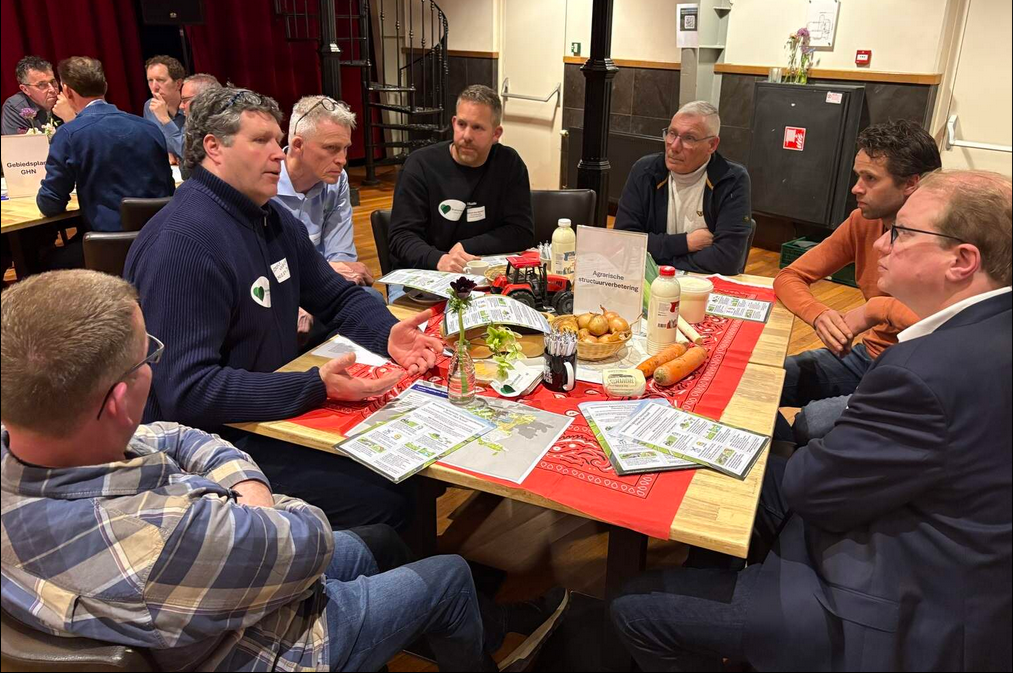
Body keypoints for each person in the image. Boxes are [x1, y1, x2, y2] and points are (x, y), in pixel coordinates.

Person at [0, 269, 568, 673]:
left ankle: (454, 627)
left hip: (207, 599)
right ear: (121, 399)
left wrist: (244, 495)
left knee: (379, 540)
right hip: (270, 645)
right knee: (450, 577)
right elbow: (308, 535)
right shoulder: (169, 538)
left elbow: (174, 433)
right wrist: (255, 505)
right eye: (148, 352)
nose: (155, 358)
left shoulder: (37, 446)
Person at [610, 170, 1012, 672]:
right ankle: (720, 570)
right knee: (756, 460)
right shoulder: (987, 329)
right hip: (949, 555)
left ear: (962, 260)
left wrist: (824, 441)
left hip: (903, 604)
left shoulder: (924, 370)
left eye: (901, 233)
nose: (882, 244)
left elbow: (810, 486)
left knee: (634, 607)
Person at [125, 87, 444, 531]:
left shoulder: (270, 218)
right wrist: (313, 386)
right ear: (213, 148)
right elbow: (188, 392)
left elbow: (336, 295)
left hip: (261, 418)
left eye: (277, 140)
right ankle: (360, 571)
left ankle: (417, 569)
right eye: (261, 141)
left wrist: (387, 333)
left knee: (411, 470)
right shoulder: (183, 244)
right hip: (205, 446)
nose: (278, 153)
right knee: (388, 495)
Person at [773, 120, 941, 445]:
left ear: (912, 183)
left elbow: (952, 330)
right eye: (858, 176)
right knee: (763, 379)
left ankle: (795, 467)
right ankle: (785, 464)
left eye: (870, 178)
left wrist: (878, 309)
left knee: (812, 423)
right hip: (869, 356)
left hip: (917, 375)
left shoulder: (946, 241)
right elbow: (789, 276)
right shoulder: (863, 223)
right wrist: (819, 314)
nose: (856, 188)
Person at [36, 56, 175, 267]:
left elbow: (50, 204)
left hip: (109, 250)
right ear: (106, 86)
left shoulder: (70, 135)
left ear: (67, 91)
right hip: (161, 242)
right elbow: (168, 189)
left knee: (41, 262)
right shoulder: (150, 128)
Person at [388, 84, 534, 279]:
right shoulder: (420, 165)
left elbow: (521, 232)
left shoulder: (509, 164)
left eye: (477, 128)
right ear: (454, 122)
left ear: (496, 134)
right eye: (462, 125)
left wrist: (466, 246)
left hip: (480, 271)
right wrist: (440, 259)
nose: (466, 136)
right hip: (423, 272)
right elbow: (400, 237)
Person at [272, 95, 383, 343]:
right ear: (298, 145)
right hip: (279, 293)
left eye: (345, 148)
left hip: (322, 289)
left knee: (371, 302)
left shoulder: (337, 180)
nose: (342, 159)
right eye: (331, 148)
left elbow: (342, 256)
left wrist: (326, 278)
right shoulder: (265, 182)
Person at [614, 100, 752, 274]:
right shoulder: (645, 171)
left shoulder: (732, 180)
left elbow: (727, 260)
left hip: (705, 284)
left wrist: (660, 259)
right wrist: (686, 243)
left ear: (712, 145)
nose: (674, 146)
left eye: (689, 138)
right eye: (672, 133)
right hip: (651, 280)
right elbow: (624, 242)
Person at [1, 56, 72, 134]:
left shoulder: (67, 99)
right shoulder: (15, 108)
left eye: (53, 82)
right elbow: (21, 142)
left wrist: (69, 117)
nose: (52, 90)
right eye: (42, 85)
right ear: (25, 89)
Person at [142, 55, 186, 163]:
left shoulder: (191, 107)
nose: (154, 87)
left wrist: (165, 119)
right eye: (150, 80)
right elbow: (152, 143)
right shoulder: (149, 106)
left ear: (178, 84)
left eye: (160, 80)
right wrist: (165, 153)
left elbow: (189, 153)